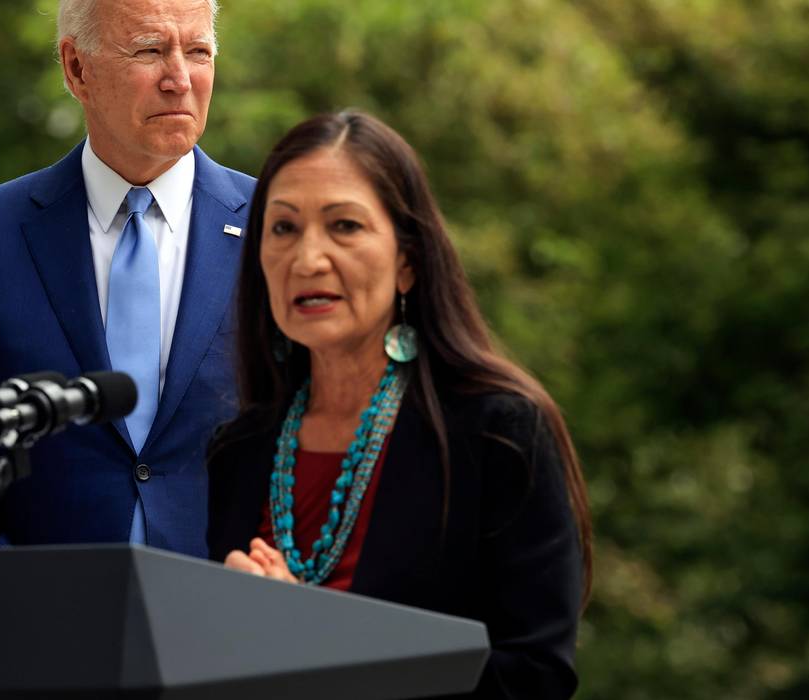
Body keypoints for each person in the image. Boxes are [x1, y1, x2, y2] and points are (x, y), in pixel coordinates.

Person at [207, 111, 593, 697]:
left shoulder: (497, 431)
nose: (308, 259)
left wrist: (309, 635)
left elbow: (534, 678)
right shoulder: (239, 450)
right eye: (283, 228)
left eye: (344, 226)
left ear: (407, 261)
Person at [0, 0, 255, 556]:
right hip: (35, 605)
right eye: (150, 51)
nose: (180, 80)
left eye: (198, 52)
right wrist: (28, 606)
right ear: (77, 68)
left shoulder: (274, 232)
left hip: (233, 602)